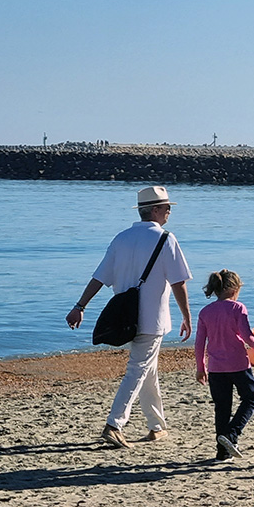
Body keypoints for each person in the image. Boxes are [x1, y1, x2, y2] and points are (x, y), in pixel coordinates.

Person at [66, 186, 192, 448]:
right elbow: (179, 282)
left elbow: (99, 277)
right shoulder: (166, 239)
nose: (169, 211)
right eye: (166, 207)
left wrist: (80, 305)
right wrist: (186, 316)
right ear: (155, 210)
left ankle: (157, 426)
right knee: (137, 370)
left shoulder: (121, 238)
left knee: (148, 371)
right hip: (152, 318)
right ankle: (115, 424)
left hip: (125, 318)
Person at [195, 269, 254, 462]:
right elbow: (248, 336)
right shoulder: (237, 308)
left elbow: (200, 343)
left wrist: (201, 367)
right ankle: (232, 434)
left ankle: (222, 452)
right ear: (233, 289)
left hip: (216, 368)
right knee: (251, 398)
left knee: (222, 408)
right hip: (239, 364)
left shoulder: (205, 312)